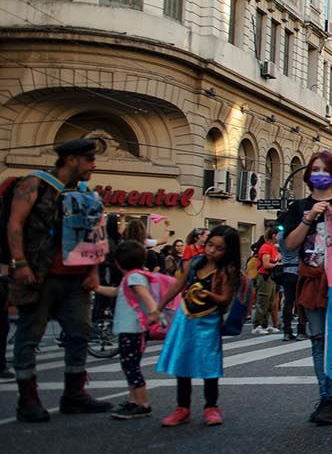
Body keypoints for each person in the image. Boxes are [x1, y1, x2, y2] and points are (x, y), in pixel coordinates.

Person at [6, 138, 113, 422]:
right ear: (71, 159)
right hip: (40, 276)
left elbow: (93, 236)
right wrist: (19, 263)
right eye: (89, 159)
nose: (93, 164)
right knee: (29, 337)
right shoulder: (34, 184)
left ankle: (74, 395)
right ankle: (27, 401)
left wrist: (92, 273)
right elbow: (15, 224)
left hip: (75, 280)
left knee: (80, 334)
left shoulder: (85, 192)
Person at [281, 150, 332, 425]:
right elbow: (290, 245)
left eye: (326, 169)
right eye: (315, 169)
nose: (320, 174)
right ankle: (329, 398)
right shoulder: (297, 207)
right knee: (318, 341)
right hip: (312, 281)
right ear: (308, 174)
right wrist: (308, 218)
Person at [152, 225, 242, 426]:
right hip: (185, 317)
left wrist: (209, 294)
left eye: (219, 249)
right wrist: (158, 308)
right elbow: (177, 285)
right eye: (210, 245)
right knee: (182, 362)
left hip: (208, 320)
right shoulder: (194, 263)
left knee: (209, 364)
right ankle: (182, 408)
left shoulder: (227, 270)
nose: (212, 251)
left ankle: (211, 406)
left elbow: (225, 299)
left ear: (228, 251)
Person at [93, 240, 159, 419]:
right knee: (130, 366)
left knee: (131, 367)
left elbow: (145, 296)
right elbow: (116, 292)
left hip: (133, 330)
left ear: (118, 262)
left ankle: (143, 404)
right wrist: (97, 288)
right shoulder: (132, 276)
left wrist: (154, 311)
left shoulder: (133, 277)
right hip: (130, 330)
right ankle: (133, 400)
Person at [251, 228, 281, 334]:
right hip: (264, 276)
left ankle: (265, 324)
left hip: (271, 277)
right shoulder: (266, 247)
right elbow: (266, 264)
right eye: (278, 235)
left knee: (270, 302)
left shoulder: (273, 247)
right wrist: (276, 264)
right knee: (262, 300)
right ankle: (257, 325)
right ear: (273, 235)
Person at [277, 228, 302, 341]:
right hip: (298, 269)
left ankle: (287, 330)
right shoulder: (299, 234)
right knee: (300, 302)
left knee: (288, 301)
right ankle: (301, 329)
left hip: (286, 270)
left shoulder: (280, 235)